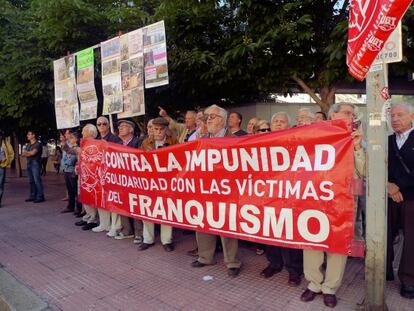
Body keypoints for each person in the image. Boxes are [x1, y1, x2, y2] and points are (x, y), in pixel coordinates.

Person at [300, 102, 365, 308]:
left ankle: (330, 288)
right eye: (346, 112)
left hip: (343, 200)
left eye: (352, 114)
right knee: (312, 242)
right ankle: (313, 284)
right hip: (315, 197)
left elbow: (364, 172)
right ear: (333, 115)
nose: (351, 116)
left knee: (337, 244)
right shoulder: (317, 134)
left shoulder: (357, 137)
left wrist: (356, 147)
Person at [191, 104, 242, 277]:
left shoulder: (234, 139)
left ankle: (232, 262)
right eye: (206, 117)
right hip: (204, 189)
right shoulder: (201, 139)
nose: (208, 120)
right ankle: (205, 257)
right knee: (202, 221)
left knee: (226, 225)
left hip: (225, 190)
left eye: (211, 116)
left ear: (222, 119)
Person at [259, 115, 303, 286]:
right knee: (270, 231)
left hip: (290, 195)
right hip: (268, 194)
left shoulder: (296, 142)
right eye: (275, 121)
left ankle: (295, 270)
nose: (278, 123)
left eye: (282, 121)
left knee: (291, 233)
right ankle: (274, 263)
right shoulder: (262, 142)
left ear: (289, 125)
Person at [386, 102, 414, 298]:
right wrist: (387, 185)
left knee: (411, 239)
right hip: (387, 196)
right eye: (392, 115)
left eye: (400, 115)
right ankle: (383, 270)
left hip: (412, 197)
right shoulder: (386, 140)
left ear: (412, 117)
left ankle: (408, 279)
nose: (395, 119)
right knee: (384, 233)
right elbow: (378, 165)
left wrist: (398, 187)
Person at [139, 117, 178, 252]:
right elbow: (139, 161)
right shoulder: (146, 143)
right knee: (148, 209)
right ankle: (147, 239)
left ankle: (166, 240)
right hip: (149, 182)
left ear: (166, 130)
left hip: (166, 182)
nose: (158, 132)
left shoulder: (173, 142)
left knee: (166, 210)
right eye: (155, 129)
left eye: (161, 129)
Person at [113, 119, 144, 243]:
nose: (120, 128)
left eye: (124, 126)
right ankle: (127, 230)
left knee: (135, 205)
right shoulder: (117, 143)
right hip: (121, 180)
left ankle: (139, 232)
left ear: (131, 129)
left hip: (134, 180)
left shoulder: (138, 142)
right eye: (119, 126)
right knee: (122, 204)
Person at [92, 116, 123, 236]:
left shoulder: (115, 138)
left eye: (104, 124)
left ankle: (115, 226)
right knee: (101, 198)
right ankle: (104, 224)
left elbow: (119, 154)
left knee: (113, 199)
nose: (101, 126)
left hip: (112, 174)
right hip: (99, 174)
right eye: (99, 124)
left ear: (108, 125)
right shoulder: (96, 139)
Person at [75, 124, 99, 231]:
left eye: (84, 131)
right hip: (82, 174)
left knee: (90, 197)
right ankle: (87, 216)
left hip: (91, 175)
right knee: (83, 196)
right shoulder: (83, 144)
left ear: (90, 132)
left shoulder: (95, 144)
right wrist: (77, 166)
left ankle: (92, 219)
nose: (82, 133)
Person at [61, 131, 81, 215]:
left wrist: (67, 163)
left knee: (75, 190)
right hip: (66, 170)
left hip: (73, 171)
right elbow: (63, 158)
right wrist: (64, 164)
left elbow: (72, 159)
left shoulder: (77, 148)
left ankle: (78, 208)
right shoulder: (69, 147)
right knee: (69, 190)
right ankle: (70, 206)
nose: (70, 139)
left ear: (76, 139)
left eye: (72, 137)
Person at [22, 130, 45, 203]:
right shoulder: (28, 144)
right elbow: (23, 154)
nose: (27, 136)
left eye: (29, 134)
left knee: (37, 180)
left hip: (36, 164)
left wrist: (28, 153)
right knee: (31, 181)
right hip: (29, 163)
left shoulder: (38, 144)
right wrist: (28, 153)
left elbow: (33, 153)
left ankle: (40, 196)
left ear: (33, 135)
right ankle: (33, 195)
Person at [0, 130, 14, 208]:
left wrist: (6, 163)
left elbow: (11, 154)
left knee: (0, 184)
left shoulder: (6, 144)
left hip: (1, 167)